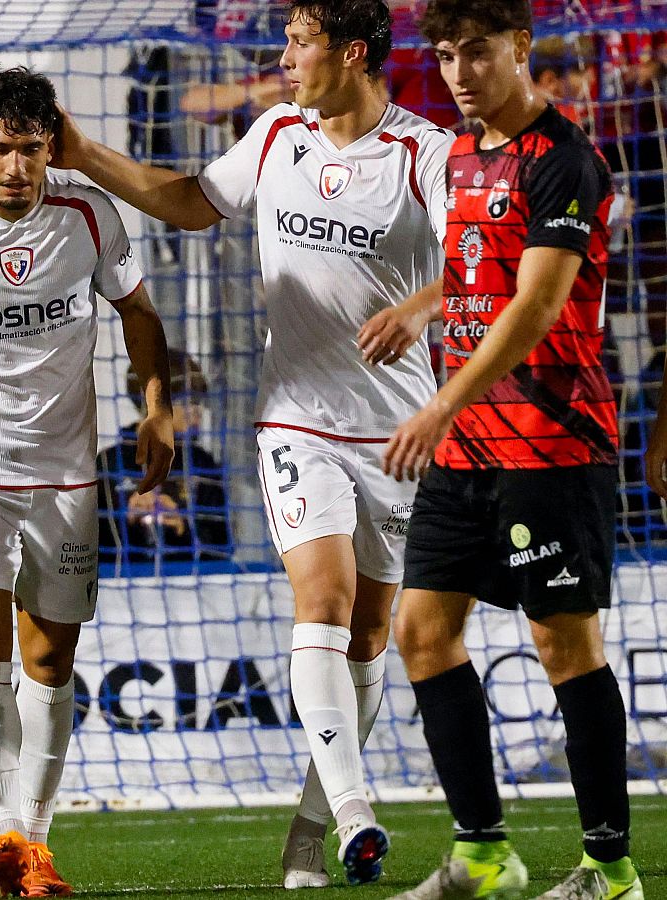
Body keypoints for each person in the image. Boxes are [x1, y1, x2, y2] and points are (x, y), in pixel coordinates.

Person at [54, 0, 454, 886]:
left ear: (351, 53)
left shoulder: (424, 152)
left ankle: (310, 825)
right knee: (323, 597)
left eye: (299, 42)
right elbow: (193, 203)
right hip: (296, 418)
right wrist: (84, 155)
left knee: (370, 635)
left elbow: (479, 256)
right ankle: (355, 814)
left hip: (398, 428)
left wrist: (418, 308)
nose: (282, 57)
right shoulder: (277, 136)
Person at [383, 2, 640, 898]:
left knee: (563, 646)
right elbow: (472, 269)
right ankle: (484, 855)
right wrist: (418, 308)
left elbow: (535, 305)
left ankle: (609, 868)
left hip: (550, 444)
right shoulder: (459, 154)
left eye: (477, 53)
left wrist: (440, 405)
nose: (459, 72)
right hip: (468, 453)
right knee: (421, 633)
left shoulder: (567, 159)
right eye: (446, 54)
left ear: (520, 49)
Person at [0, 67, 174, 897]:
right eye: (0, 149)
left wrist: (155, 409)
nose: (16, 168)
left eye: (31, 150)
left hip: (67, 472)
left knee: (52, 656)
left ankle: (33, 845)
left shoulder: (85, 211)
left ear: (48, 146)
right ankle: (2, 830)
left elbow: (139, 313)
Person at [98, 351, 232, 566]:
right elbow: (91, 552)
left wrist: (183, 528)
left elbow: (222, 548)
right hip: (122, 590)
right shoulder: (108, 464)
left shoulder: (201, 464)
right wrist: (128, 520)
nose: (198, 411)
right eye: (188, 401)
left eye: (199, 401)